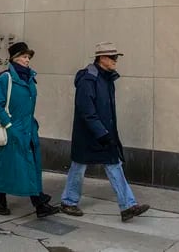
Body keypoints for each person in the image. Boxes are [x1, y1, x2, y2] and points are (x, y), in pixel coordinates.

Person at [60, 42, 150, 222]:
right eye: (113, 57)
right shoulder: (88, 79)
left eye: (116, 57)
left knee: (114, 164)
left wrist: (107, 133)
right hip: (89, 134)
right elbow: (86, 110)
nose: (116, 60)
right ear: (102, 58)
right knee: (78, 166)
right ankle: (68, 201)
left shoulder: (106, 78)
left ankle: (128, 206)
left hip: (104, 133)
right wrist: (101, 132)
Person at [0, 41, 59, 218]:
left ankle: (39, 203)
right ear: (15, 58)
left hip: (29, 129)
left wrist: (32, 123)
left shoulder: (29, 77)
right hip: (13, 130)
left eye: (28, 57)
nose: (28, 60)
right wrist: (9, 125)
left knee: (31, 165)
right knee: (6, 167)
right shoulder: (5, 78)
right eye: (24, 57)